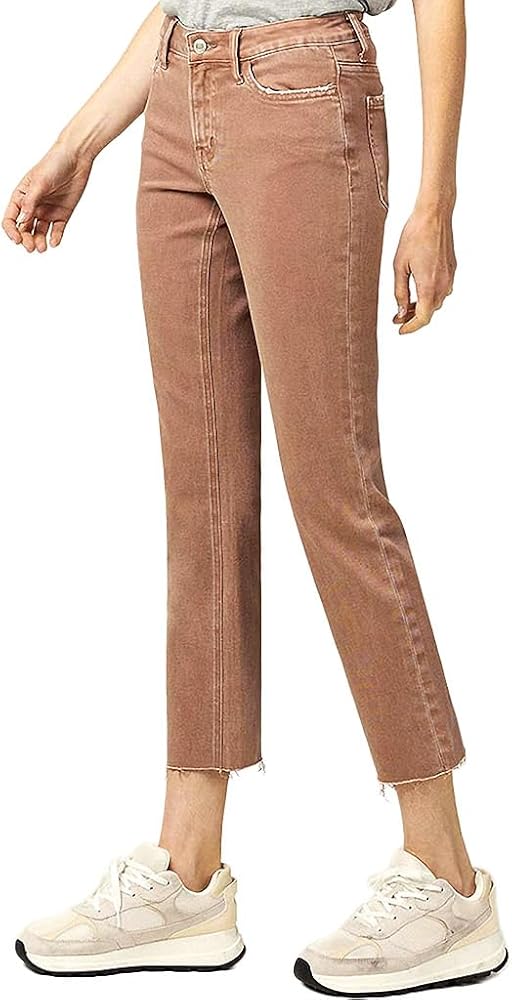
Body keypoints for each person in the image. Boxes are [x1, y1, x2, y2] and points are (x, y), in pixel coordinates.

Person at [4, 0, 508, 992]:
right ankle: (188, 870)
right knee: (200, 501)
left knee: (337, 491)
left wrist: (435, 196)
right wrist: (79, 141)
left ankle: (448, 878)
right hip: (173, 101)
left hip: (305, 95)